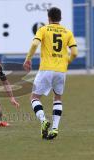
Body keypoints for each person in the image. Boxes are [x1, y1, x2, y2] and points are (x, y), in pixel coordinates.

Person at [23, 7, 78, 140]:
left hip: (46, 69)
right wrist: (66, 62)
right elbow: (75, 53)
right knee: (57, 98)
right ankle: (55, 128)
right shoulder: (67, 32)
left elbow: (35, 44)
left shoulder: (43, 29)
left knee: (34, 98)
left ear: (49, 18)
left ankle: (43, 121)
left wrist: (28, 59)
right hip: (61, 70)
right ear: (60, 18)